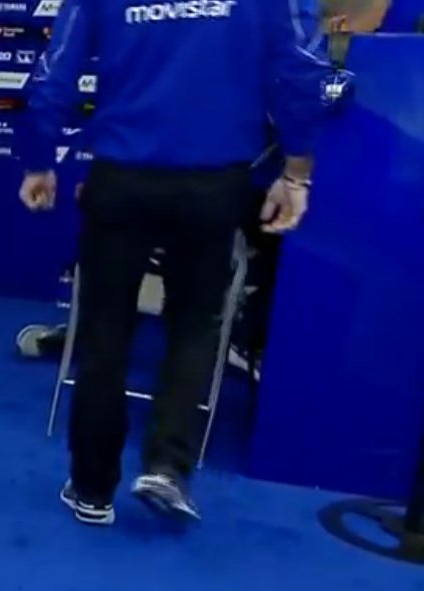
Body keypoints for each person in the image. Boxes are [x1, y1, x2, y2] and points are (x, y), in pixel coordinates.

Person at [17, 0, 336, 526]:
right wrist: (297, 171)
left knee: (105, 329)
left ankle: (92, 488)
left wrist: (38, 160)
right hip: (213, 183)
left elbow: (56, 70)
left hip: (123, 178)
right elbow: (302, 68)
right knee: (194, 324)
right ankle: (168, 465)